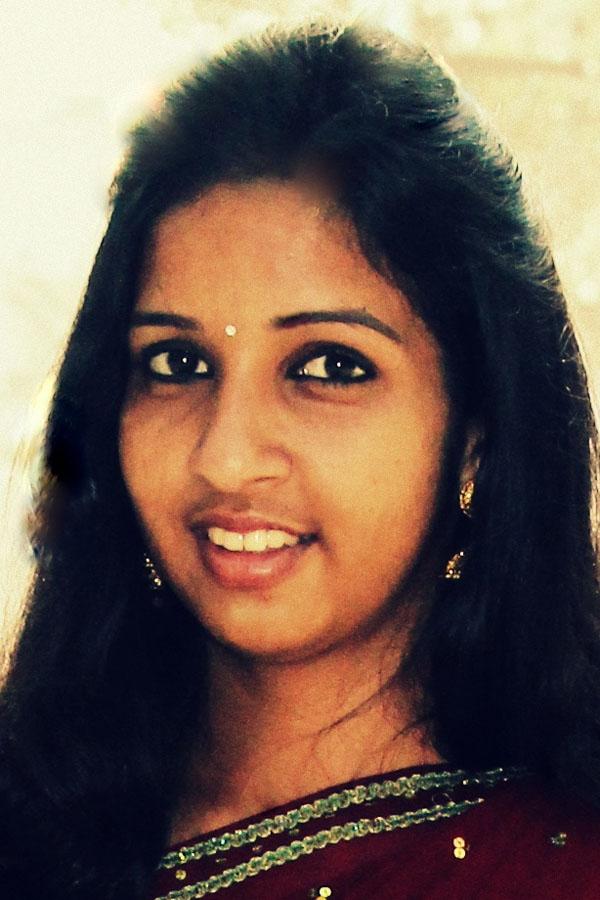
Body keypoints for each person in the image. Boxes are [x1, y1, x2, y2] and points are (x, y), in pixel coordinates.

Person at [1, 19, 599, 900]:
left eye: (330, 366)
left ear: (476, 439)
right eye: (177, 362)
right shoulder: (32, 816)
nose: (226, 457)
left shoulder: (556, 870)